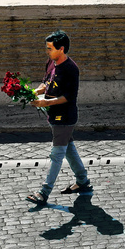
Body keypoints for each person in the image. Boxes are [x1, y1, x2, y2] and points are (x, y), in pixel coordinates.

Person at [28, 30, 92, 205]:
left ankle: (44, 192)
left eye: (50, 48)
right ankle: (83, 182)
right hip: (53, 115)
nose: (47, 52)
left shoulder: (71, 69)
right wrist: (33, 92)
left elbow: (68, 97)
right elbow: (45, 83)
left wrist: (45, 104)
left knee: (56, 155)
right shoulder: (51, 62)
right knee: (69, 149)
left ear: (61, 49)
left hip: (64, 118)